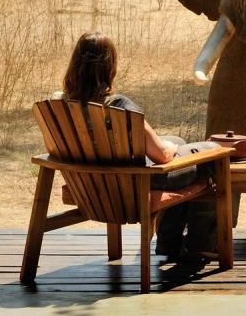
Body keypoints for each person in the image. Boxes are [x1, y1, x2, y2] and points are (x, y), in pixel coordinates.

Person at [52, 31, 219, 261]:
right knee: (210, 156)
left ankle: (170, 243)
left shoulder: (61, 106)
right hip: (131, 186)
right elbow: (161, 156)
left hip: (88, 185)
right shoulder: (118, 106)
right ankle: (194, 244)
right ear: (110, 67)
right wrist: (169, 149)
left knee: (179, 142)